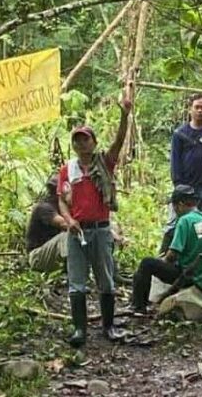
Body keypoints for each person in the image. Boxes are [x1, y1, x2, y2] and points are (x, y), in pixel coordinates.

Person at [58, 87, 133, 347]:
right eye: (77, 140)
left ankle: (109, 326)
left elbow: (119, 142)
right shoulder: (67, 169)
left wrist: (125, 115)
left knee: (105, 278)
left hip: (101, 230)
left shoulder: (105, 163)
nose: (81, 144)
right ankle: (80, 330)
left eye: (85, 139)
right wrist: (69, 221)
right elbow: (61, 200)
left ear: (93, 142)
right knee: (76, 281)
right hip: (76, 232)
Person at [131, 185, 202, 314]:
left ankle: (139, 307)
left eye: (174, 207)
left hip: (191, 276)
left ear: (180, 204)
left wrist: (163, 261)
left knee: (147, 263)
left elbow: (172, 255)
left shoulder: (185, 220)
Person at [27, 175, 69, 273]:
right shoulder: (44, 208)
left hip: (50, 254)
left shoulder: (63, 207)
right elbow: (65, 224)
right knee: (67, 235)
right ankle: (71, 272)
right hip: (37, 257)